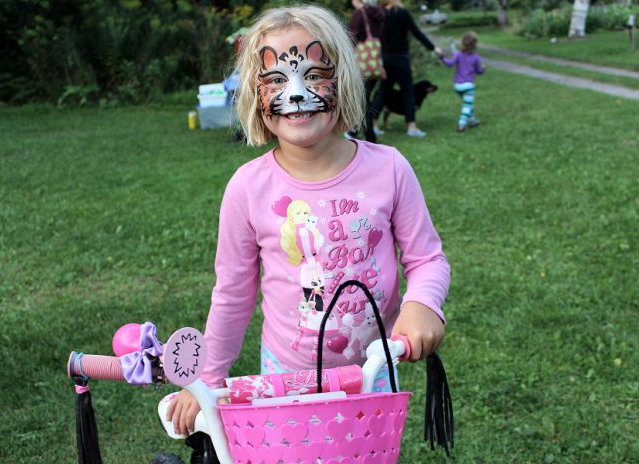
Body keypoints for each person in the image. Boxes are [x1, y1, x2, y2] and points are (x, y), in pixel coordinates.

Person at [167, 5, 450, 437]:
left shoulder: (390, 169)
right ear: (252, 94)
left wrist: (422, 305)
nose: (296, 94)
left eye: (315, 75)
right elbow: (232, 293)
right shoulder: (247, 187)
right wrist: (206, 379)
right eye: (276, 80)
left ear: (345, 81)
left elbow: (427, 259)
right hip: (287, 375)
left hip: (376, 371)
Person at [372, 0, 442, 137]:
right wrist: (433, 48)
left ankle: (373, 125)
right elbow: (416, 32)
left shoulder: (380, 14)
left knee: (383, 91)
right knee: (408, 91)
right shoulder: (401, 13)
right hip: (400, 58)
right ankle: (411, 127)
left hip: (384, 58)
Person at [346, 0, 385, 143]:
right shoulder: (379, 13)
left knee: (363, 100)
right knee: (364, 98)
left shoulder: (359, 14)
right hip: (375, 62)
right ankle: (355, 130)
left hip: (362, 63)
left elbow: (351, 39)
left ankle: (368, 135)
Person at [438, 31, 484, 132]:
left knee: (467, 103)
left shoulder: (458, 54)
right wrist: (483, 68)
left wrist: (442, 57)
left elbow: (449, 64)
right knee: (467, 105)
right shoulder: (476, 57)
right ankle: (461, 125)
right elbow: (479, 71)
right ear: (475, 44)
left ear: (463, 43)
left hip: (457, 86)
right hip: (468, 86)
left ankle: (472, 121)